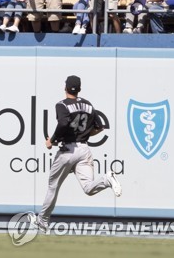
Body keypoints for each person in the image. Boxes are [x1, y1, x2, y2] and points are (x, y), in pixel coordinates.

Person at [35, 75, 122, 233]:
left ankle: (43, 220)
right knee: (89, 188)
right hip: (84, 150)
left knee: (53, 186)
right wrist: (83, 135)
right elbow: (100, 126)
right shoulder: (88, 105)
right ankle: (107, 179)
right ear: (79, 89)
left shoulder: (62, 105)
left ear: (65, 88)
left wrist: (52, 140)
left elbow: (63, 123)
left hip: (68, 151)